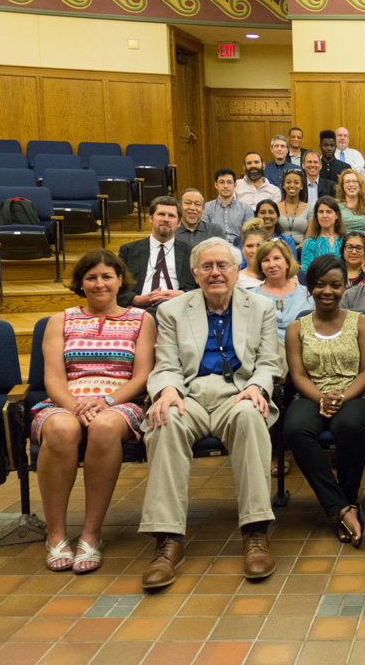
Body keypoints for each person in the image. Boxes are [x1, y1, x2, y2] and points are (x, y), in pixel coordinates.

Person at [140, 238, 283, 588]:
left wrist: (258, 387)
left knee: (252, 417)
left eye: (223, 265)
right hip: (188, 393)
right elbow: (166, 363)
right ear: (194, 273)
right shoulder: (172, 311)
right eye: (207, 267)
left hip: (237, 393)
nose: (216, 273)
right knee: (164, 420)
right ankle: (168, 540)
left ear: (237, 271)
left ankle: (255, 532)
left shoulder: (261, 307)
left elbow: (269, 360)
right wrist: (168, 390)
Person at [35, 249, 157, 573]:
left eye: (107, 276)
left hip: (120, 402)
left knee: (103, 427)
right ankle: (56, 534)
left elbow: (143, 375)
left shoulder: (142, 320)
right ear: (81, 282)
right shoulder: (58, 320)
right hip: (65, 400)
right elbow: (53, 377)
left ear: (120, 280)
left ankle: (90, 534)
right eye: (91, 277)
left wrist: (107, 401)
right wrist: (74, 405)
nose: (99, 283)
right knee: (62, 429)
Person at [283, 255, 365, 549]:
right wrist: (322, 397)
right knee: (295, 428)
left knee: (348, 424)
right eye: (320, 285)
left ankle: (348, 498)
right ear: (310, 286)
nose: (328, 291)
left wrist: (343, 397)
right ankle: (341, 508)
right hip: (311, 394)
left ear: (344, 287)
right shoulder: (296, 328)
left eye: (336, 285)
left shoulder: (361, 323)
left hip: (358, 394)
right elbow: (297, 375)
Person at [117, 196, 197, 310]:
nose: (166, 219)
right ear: (151, 218)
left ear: (179, 223)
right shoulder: (129, 250)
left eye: (171, 216)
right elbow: (115, 285)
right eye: (161, 214)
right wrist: (136, 299)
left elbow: (202, 287)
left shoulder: (191, 252)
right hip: (137, 310)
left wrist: (183, 295)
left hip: (179, 310)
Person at [248, 239, 313, 343]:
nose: (272, 265)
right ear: (260, 266)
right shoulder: (250, 296)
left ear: (287, 263)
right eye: (266, 260)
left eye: (277, 258)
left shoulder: (309, 295)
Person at [203, 168, 253, 247]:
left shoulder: (246, 209)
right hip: (214, 249)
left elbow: (248, 236)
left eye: (229, 182)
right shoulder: (206, 208)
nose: (225, 186)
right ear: (216, 185)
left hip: (239, 250)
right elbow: (204, 234)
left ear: (235, 185)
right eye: (222, 182)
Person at [300, 196, 346, 272]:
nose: (324, 216)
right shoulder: (309, 242)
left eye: (329, 212)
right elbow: (306, 272)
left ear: (337, 215)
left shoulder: (345, 240)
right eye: (321, 212)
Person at [337, 168, 365, 235]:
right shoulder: (335, 205)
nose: (351, 184)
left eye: (355, 181)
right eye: (347, 181)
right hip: (342, 241)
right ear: (342, 186)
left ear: (360, 184)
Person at [276, 169, 310, 248]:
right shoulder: (275, 207)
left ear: (301, 186)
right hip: (278, 248)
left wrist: (295, 249)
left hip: (301, 249)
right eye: (288, 182)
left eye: (296, 182)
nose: (292, 185)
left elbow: (309, 237)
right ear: (283, 185)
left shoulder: (309, 208)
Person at [237, 219, 267, 289]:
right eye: (249, 246)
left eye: (259, 245)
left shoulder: (277, 276)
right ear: (242, 248)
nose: (254, 251)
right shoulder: (235, 279)